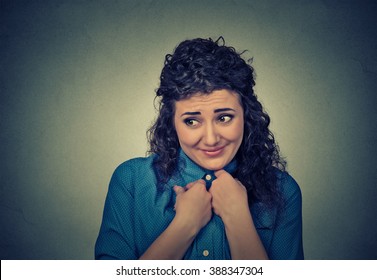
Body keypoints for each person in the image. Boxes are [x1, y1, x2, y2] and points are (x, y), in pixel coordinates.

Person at [95, 37, 304, 260]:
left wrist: (238, 218)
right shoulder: (131, 181)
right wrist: (185, 226)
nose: (211, 139)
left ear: (246, 116)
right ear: (172, 122)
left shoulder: (284, 190)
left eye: (224, 117)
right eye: (192, 121)